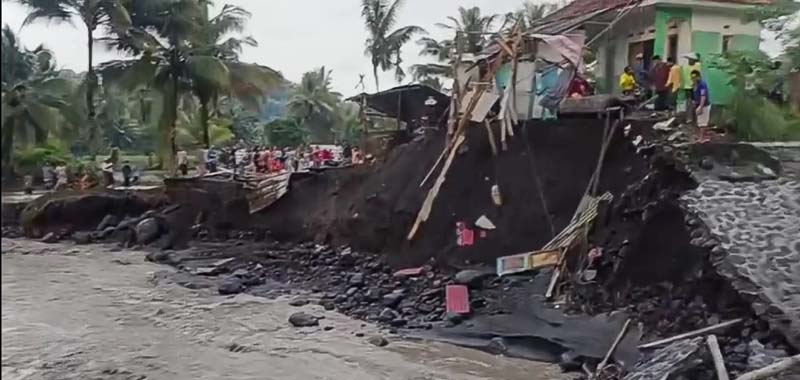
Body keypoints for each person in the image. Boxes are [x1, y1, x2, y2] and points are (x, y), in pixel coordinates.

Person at [682, 52, 702, 122]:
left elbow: (699, 76)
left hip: (696, 86)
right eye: (689, 59)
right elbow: (684, 77)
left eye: (691, 59)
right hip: (687, 87)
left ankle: (696, 117)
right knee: (689, 103)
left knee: (696, 102)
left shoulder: (698, 66)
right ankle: (689, 118)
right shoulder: (685, 67)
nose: (690, 61)